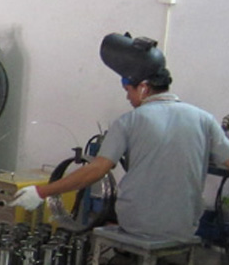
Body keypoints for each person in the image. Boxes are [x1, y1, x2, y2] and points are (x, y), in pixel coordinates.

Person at [12, 32, 229, 240]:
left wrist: (42, 192)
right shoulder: (204, 119)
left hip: (138, 224)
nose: (127, 98)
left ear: (143, 88)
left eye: (128, 90)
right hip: (185, 228)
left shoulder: (130, 121)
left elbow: (96, 171)